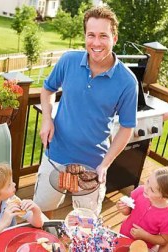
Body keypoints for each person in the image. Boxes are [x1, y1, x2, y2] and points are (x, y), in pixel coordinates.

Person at [34, 6, 138, 217]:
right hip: (55, 156)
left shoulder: (128, 82)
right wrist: (47, 119)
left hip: (93, 165)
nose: (96, 43)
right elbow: (47, 90)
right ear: (85, 36)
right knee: (41, 213)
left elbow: (127, 128)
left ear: (114, 38)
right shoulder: (68, 61)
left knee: (86, 225)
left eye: (103, 36)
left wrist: (105, 165)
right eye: (91, 35)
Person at [117, 167, 168, 250]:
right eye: (148, 181)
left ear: (164, 196)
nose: (146, 187)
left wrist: (145, 236)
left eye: (152, 190)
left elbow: (164, 240)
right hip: (123, 236)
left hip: (143, 248)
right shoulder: (140, 191)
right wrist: (124, 209)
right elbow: (129, 211)